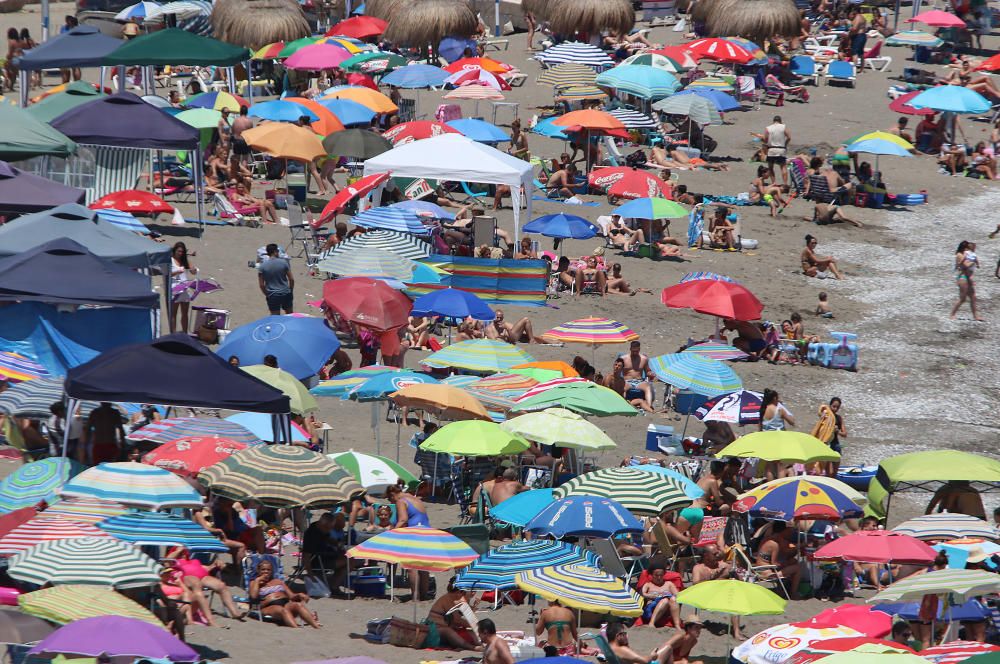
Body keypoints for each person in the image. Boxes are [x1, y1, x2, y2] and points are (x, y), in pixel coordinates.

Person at [166, 547, 244, 621]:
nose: (183, 552)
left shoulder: (193, 561)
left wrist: (215, 564)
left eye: (184, 551)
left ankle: (235, 613)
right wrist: (178, 550)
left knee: (221, 586)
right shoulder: (174, 562)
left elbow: (208, 568)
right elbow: (166, 561)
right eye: (181, 551)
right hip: (186, 577)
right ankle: (208, 617)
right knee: (196, 583)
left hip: (203, 577)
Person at [249, 560, 320, 628]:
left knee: (298, 605)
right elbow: (253, 596)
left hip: (285, 604)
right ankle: (296, 629)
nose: (266, 572)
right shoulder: (254, 583)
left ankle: (316, 626)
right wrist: (257, 580)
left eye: (268, 570)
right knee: (283, 610)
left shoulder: (278, 581)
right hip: (268, 607)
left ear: (272, 571)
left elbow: (292, 596)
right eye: (263, 569)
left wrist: (299, 595)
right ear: (258, 571)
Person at [302, 513, 350, 595]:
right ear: (322, 523)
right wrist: (311, 575)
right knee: (350, 561)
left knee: (348, 557)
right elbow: (306, 556)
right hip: (318, 562)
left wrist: (337, 544)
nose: (329, 530)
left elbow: (327, 538)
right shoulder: (312, 534)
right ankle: (333, 586)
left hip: (325, 557)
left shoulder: (319, 528)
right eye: (328, 528)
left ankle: (333, 584)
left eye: (331, 528)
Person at [425, 577, 479, 649]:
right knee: (449, 631)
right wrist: (476, 626)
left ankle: (482, 644)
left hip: (445, 627)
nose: (463, 595)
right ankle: (472, 648)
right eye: (463, 592)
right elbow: (457, 620)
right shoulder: (447, 599)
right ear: (458, 592)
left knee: (472, 633)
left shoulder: (453, 599)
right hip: (434, 630)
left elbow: (462, 616)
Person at [756, 521, 802, 599]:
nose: (788, 534)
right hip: (767, 573)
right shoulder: (775, 545)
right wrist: (786, 563)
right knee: (797, 568)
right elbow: (775, 564)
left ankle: (784, 589)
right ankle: (793, 593)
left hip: (759, 569)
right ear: (782, 531)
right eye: (787, 531)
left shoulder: (767, 539)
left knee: (793, 562)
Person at [607, 622, 671, 664]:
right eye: (624, 634)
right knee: (668, 648)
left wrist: (626, 644)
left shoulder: (607, 648)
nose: (626, 636)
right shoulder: (621, 650)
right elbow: (645, 661)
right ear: (618, 636)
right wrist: (652, 656)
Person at [169, 242, 198, 333]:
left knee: (185, 313)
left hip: (185, 287)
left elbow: (193, 272)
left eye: (182, 252)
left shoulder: (185, 260)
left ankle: (185, 333)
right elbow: (168, 274)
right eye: (179, 251)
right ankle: (173, 334)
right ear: (175, 251)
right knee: (174, 313)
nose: (180, 253)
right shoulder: (170, 260)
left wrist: (194, 269)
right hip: (174, 288)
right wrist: (178, 271)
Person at [950, 240, 982, 321]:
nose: (968, 250)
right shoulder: (960, 255)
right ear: (964, 248)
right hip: (963, 278)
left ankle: (976, 316)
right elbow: (966, 265)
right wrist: (974, 261)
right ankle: (952, 314)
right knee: (962, 298)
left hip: (968, 277)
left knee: (973, 297)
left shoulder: (966, 254)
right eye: (967, 248)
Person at [753, 116, 790, 185]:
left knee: (771, 167)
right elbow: (789, 137)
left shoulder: (768, 128)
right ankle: (785, 184)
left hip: (772, 149)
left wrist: (761, 138)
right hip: (781, 149)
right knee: (783, 167)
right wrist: (785, 144)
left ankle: (774, 183)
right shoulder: (783, 127)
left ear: (773, 121)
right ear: (780, 121)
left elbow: (766, 140)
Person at [258, 243, 294, 315]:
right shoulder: (284, 263)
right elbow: (291, 279)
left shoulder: (262, 266)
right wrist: (290, 290)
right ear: (275, 252)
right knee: (290, 316)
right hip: (285, 292)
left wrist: (267, 294)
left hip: (273, 295)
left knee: (275, 318)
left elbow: (261, 285)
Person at [620, 340, 654, 407]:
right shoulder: (623, 359)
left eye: (637, 351)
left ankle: (648, 406)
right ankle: (623, 405)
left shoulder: (644, 359)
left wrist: (650, 374)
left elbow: (647, 371)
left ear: (639, 349)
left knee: (648, 387)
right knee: (622, 388)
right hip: (627, 381)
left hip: (639, 381)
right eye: (633, 351)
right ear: (630, 349)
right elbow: (617, 370)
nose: (635, 353)